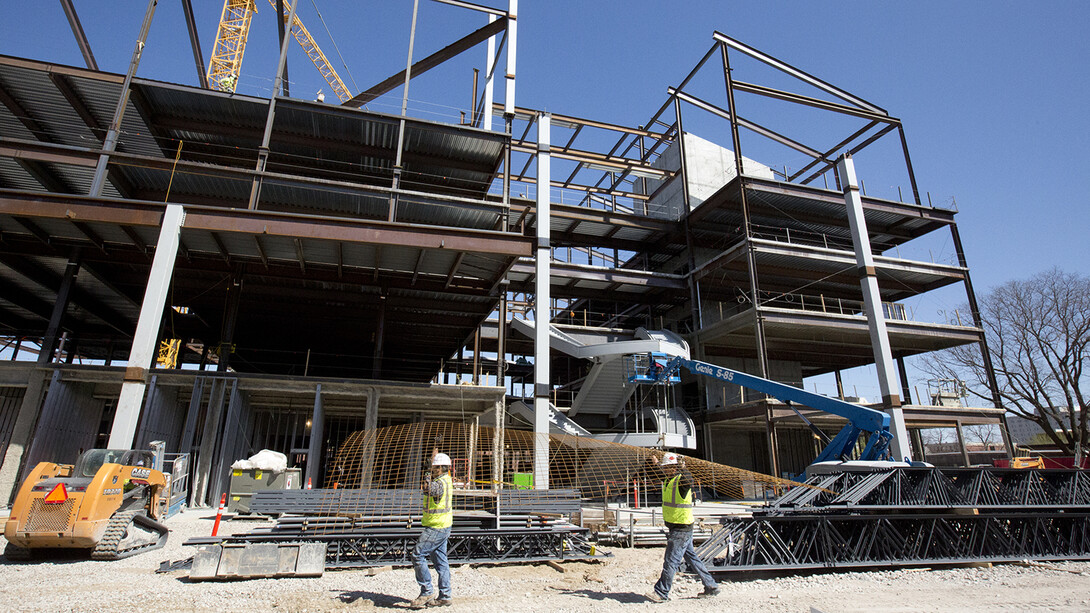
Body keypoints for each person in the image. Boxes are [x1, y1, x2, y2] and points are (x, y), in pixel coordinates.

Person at [646, 452, 720, 602]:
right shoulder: (668, 479)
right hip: (677, 526)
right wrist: (653, 462)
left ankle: (661, 592)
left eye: (669, 467)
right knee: (692, 558)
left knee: (671, 561)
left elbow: (688, 479)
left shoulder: (681, 481)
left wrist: (682, 466)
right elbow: (657, 474)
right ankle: (711, 585)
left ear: (674, 467)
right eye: (665, 467)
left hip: (682, 527)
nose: (666, 470)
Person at [409, 452, 454, 609]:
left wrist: (427, 475)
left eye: (435, 467)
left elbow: (430, 490)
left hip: (437, 527)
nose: (433, 469)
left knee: (417, 554)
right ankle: (445, 595)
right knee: (441, 562)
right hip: (442, 525)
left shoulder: (440, 483)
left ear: (442, 468)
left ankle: (427, 591)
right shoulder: (445, 480)